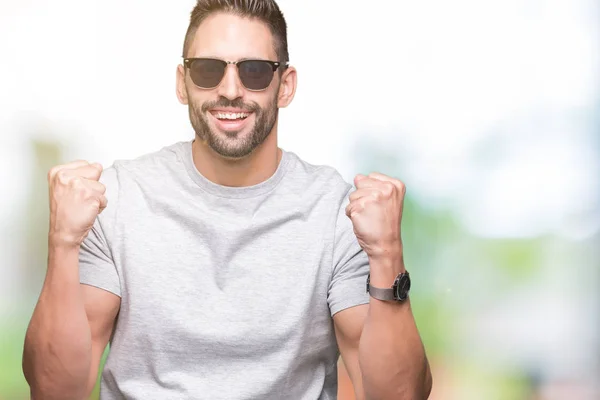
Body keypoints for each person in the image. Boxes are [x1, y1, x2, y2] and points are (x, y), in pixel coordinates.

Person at [22, 1, 432, 399]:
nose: (231, 90)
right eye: (207, 70)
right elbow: (56, 390)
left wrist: (387, 255)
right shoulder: (118, 201)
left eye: (254, 71)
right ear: (182, 83)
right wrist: (62, 244)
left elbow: (398, 396)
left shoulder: (336, 214)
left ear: (285, 86)